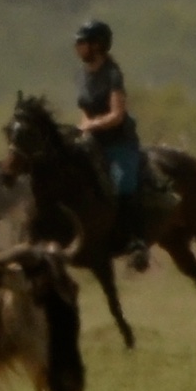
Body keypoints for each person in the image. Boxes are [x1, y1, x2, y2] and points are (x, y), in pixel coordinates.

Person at [74, 19, 148, 265]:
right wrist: (82, 129)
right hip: (93, 142)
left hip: (119, 144)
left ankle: (136, 241)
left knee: (121, 186)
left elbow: (117, 115)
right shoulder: (84, 74)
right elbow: (85, 109)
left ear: (97, 46)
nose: (78, 47)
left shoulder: (113, 75)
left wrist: (90, 126)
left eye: (82, 43)